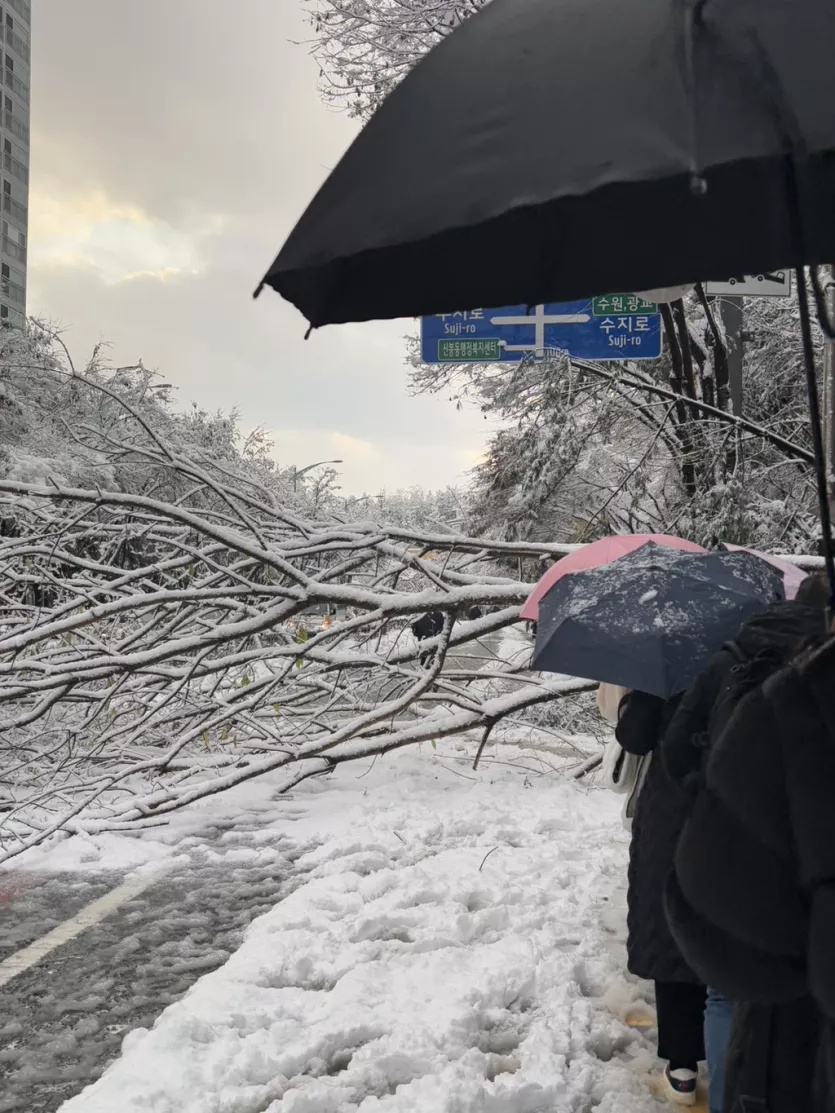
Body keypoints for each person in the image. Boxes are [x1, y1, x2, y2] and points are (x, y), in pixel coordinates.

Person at [661, 573, 830, 1113]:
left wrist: (709, 794)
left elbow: (666, 747)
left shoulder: (765, 684)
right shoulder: (803, 678)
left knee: (727, 994)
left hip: (795, 1048)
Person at [616, 689, 706, 1106]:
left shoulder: (670, 661)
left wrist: (634, 696)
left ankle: (684, 1066)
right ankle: (733, 1056)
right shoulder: (781, 647)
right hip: (748, 809)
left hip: (672, 810)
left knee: (674, 933)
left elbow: (633, 736)